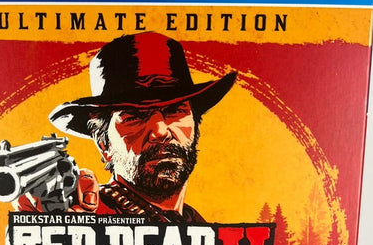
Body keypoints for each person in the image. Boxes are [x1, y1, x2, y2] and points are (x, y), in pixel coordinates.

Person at [43, 31, 236, 222]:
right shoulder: (85, 216)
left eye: (175, 111)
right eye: (135, 117)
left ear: (195, 127)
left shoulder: (197, 224)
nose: (160, 131)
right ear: (103, 144)